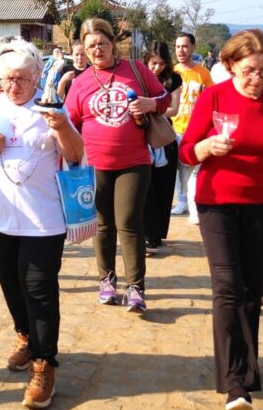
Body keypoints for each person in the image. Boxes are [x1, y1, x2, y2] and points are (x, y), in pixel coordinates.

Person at [179, 29, 263, 410]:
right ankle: (233, 381)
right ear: (231, 64)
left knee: (251, 288)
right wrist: (205, 147)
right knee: (228, 286)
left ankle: (248, 371)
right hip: (217, 201)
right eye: (250, 70)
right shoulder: (214, 97)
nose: (258, 78)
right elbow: (186, 151)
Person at [0, 40, 84, 410]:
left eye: (22, 79)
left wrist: (61, 127)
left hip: (43, 220)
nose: (14, 86)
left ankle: (44, 363)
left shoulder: (50, 108)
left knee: (39, 289)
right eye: (8, 80)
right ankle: (26, 337)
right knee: (11, 285)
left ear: (36, 78)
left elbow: (75, 154)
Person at [65, 18, 170, 313]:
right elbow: (70, 123)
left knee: (130, 223)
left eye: (102, 43)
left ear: (113, 43)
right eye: (91, 46)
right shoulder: (80, 83)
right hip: (95, 163)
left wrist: (150, 104)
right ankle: (106, 280)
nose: (97, 50)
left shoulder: (135, 70)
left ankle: (135, 287)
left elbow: (164, 98)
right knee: (103, 225)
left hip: (134, 161)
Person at [142, 40, 182, 252]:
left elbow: (174, 109)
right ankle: (147, 233)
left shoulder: (173, 79)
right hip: (141, 138)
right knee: (145, 188)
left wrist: (151, 107)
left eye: (161, 63)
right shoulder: (138, 77)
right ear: (146, 60)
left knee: (163, 187)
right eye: (153, 63)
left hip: (164, 138)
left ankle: (156, 233)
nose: (156, 67)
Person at [171, 32, 214, 224]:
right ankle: (181, 201)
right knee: (178, 170)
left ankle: (194, 206)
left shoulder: (203, 73)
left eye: (185, 46)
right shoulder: (172, 72)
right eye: (178, 46)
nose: (181, 50)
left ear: (192, 48)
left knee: (194, 170)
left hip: (195, 129)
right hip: (174, 128)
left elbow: (211, 98)